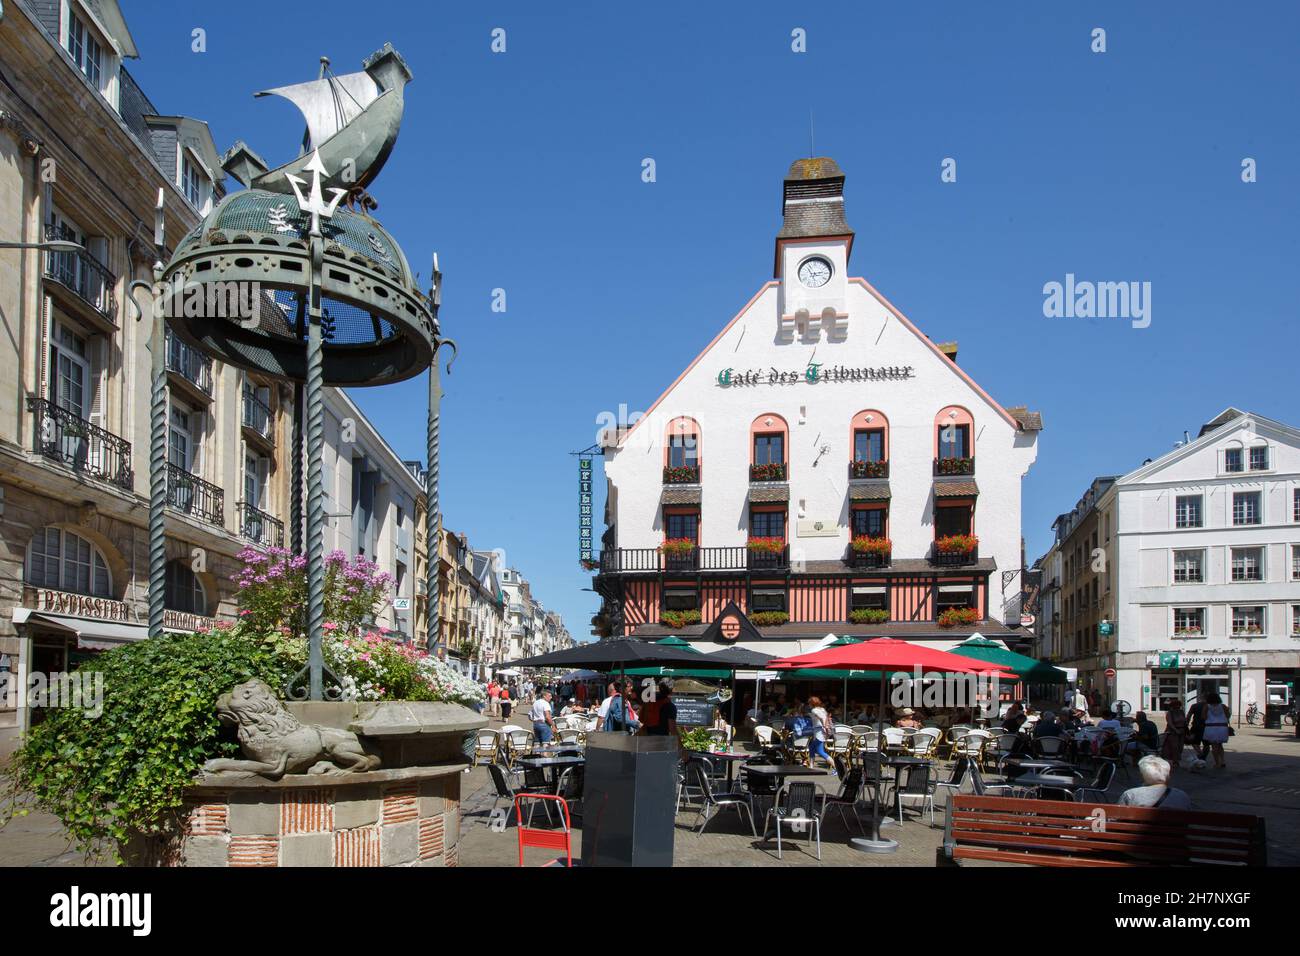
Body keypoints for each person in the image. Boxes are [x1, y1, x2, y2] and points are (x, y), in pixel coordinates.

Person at [1117, 755, 1192, 810]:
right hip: (1174, 831)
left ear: (1143, 776)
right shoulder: (1182, 796)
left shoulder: (1130, 795)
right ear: (1167, 775)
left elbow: (1115, 819)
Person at [1200, 692, 1231, 768]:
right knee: (1220, 745)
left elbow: (1203, 717)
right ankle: (1223, 761)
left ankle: (1217, 763)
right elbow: (1228, 715)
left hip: (1211, 727)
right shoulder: (1223, 706)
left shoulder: (1207, 707)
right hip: (1222, 727)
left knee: (1214, 746)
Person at [806, 697, 835, 773]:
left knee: (820, 751)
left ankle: (836, 768)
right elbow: (825, 717)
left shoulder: (814, 710)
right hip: (819, 732)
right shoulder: (822, 709)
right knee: (811, 748)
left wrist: (824, 726)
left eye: (809, 703)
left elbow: (822, 718)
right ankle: (811, 767)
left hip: (819, 732)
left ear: (812, 703)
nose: (808, 705)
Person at [1161, 699, 1187, 763]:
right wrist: (1176, 730)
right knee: (1174, 747)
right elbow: (1170, 723)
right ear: (1172, 706)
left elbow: (1184, 721)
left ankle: (1177, 759)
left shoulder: (1181, 712)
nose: (1178, 708)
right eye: (1176, 706)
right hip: (1172, 732)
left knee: (1180, 747)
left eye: (1179, 706)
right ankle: (1174, 761)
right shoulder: (1169, 713)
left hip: (1182, 731)